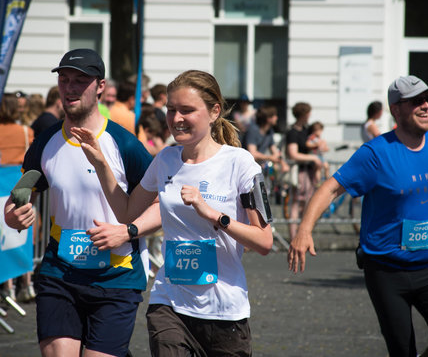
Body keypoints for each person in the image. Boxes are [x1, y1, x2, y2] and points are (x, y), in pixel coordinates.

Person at [71, 69, 273, 356]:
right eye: (170, 109)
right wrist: (101, 163)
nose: (176, 118)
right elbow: (127, 212)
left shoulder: (240, 163)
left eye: (187, 110)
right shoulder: (165, 159)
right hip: (170, 303)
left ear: (214, 111)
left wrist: (213, 214)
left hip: (225, 310)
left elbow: (264, 242)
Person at [288, 75, 428, 357]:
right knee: (402, 351)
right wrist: (304, 231)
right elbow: (329, 188)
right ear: (396, 109)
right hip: (386, 271)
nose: (426, 106)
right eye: (416, 101)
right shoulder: (376, 153)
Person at [4, 48, 155, 357]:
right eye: (64, 80)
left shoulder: (125, 144)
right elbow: (18, 198)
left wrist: (127, 231)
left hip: (116, 277)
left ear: (100, 86)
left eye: (80, 81)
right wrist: (14, 215)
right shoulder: (44, 142)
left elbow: (160, 203)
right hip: (61, 274)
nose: (70, 88)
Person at [0, 92, 35, 303]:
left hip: (2, 183)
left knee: (4, 236)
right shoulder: (25, 131)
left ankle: (9, 287)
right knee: (23, 235)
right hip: (20, 184)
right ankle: (27, 283)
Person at [285, 102, 324, 240]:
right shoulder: (293, 132)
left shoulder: (306, 130)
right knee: (296, 203)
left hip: (308, 171)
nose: (310, 116)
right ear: (303, 115)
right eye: (308, 113)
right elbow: (293, 154)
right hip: (299, 171)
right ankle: (293, 237)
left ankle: (302, 235)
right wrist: (312, 158)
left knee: (306, 203)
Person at [243, 104, 289, 173]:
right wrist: (270, 158)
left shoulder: (270, 132)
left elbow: (275, 151)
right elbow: (253, 153)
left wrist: (283, 164)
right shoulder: (253, 130)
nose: (277, 118)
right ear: (268, 119)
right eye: (274, 116)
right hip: (246, 169)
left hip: (257, 169)